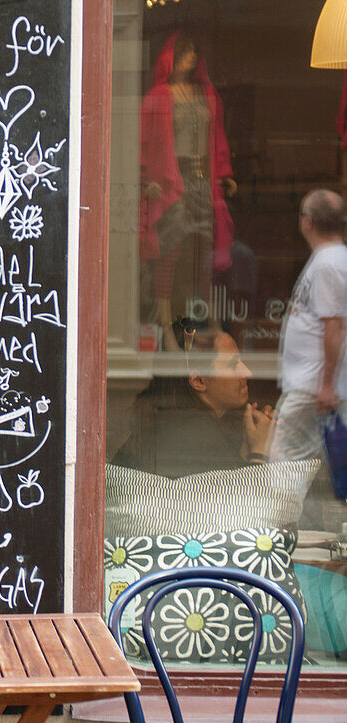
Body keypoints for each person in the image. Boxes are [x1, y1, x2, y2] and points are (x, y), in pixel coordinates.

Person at [140, 32, 237, 344]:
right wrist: (146, 178)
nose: (191, 57)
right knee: (170, 254)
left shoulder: (206, 94)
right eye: (185, 51)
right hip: (172, 182)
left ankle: (212, 323)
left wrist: (223, 173)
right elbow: (143, 141)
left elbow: (218, 136)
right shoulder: (158, 96)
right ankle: (166, 327)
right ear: (170, 56)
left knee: (205, 255)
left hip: (202, 182)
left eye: (195, 52)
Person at [112, 319, 275, 477]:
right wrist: (260, 451)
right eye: (233, 365)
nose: (247, 372)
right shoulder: (195, 433)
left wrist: (247, 450)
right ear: (198, 381)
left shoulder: (181, 423)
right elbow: (239, 502)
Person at [270, 190, 347, 474]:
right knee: (302, 463)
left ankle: (280, 519)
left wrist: (327, 384)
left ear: (308, 222)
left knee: (283, 461)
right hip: (312, 385)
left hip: (312, 387)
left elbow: (334, 326)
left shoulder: (329, 264)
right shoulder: (329, 259)